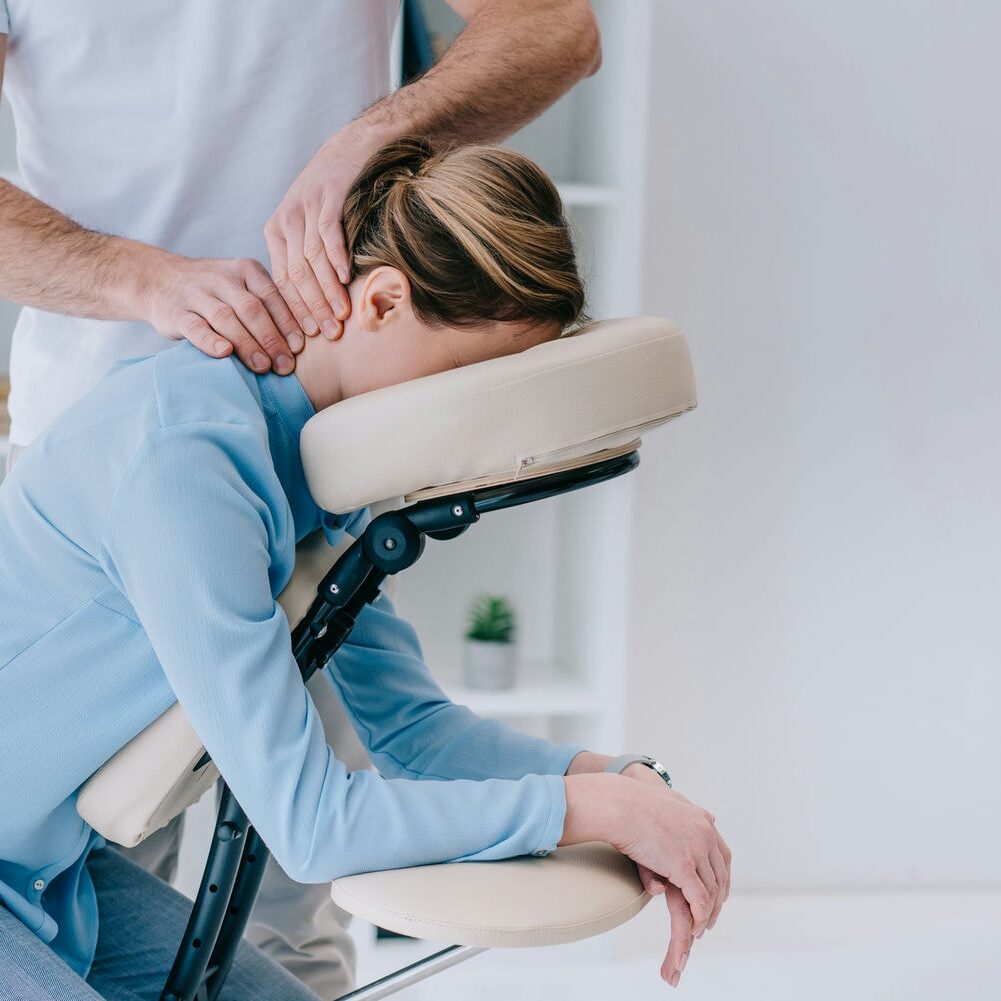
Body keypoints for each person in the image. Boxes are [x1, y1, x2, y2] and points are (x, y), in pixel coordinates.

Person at [0, 138, 730, 1001]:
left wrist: (619, 782)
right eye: (467, 379)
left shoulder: (315, 472)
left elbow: (417, 734)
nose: (467, 425)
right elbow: (310, 824)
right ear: (382, 300)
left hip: (47, 874)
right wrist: (590, 813)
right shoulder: (189, 462)